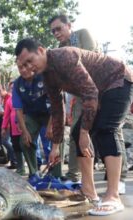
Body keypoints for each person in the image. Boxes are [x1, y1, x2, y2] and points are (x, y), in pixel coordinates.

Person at [15, 38, 133, 216]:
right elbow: (57, 111)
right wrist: (55, 147)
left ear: (41, 50)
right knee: (75, 133)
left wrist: (85, 132)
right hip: (101, 90)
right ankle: (89, 192)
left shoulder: (64, 57)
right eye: (23, 65)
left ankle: (113, 195)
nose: (29, 68)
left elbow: (90, 92)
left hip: (119, 79)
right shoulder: (47, 75)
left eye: (29, 61)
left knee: (105, 130)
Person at [49, 14, 98, 183]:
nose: (56, 33)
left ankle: (120, 178)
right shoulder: (61, 46)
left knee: (110, 131)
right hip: (80, 95)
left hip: (101, 89)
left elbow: (89, 62)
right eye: (53, 31)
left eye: (58, 28)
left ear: (69, 25)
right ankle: (74, 177)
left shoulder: (84, 34)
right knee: (76, 133)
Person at [13, 59, 51, 179]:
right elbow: (18, 109)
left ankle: (55, 173)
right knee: (24, 141)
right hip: (32, 115)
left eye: (25, 65)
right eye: (20, 67)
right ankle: (34, 172)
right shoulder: (17, 84)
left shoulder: (45, 78)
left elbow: (57, 104)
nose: (23, 70)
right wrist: (24, 132)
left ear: (32, 64)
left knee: (54, 138)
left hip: (50, 114)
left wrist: (51, 126)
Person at [1, 81, 25, 175]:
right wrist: (3, 127)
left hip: (25, 128)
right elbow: (6, 115)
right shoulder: (9, 100)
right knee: (16, 147)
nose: (13, 89)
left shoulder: (24, 97)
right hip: (14, 129)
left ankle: (32, 169)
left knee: (27, 147)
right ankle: (20, 168)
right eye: (12, 88)